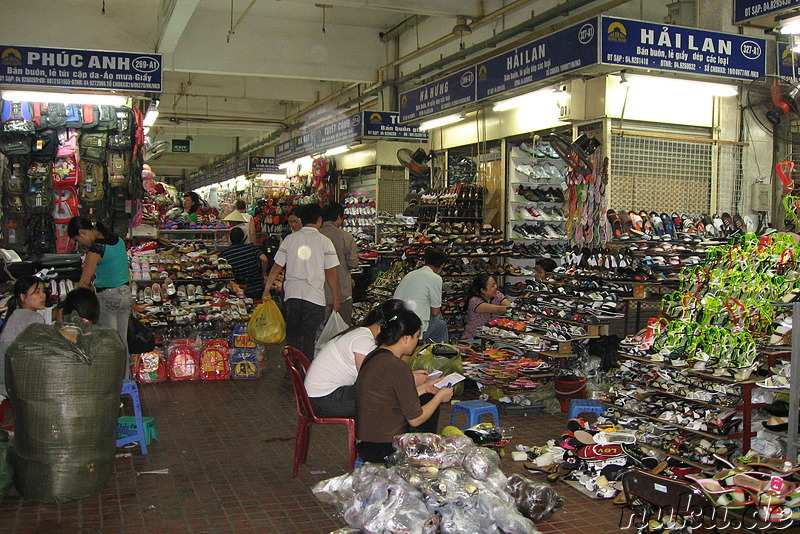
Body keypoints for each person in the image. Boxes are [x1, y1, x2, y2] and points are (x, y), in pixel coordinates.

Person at [354, 309, 453, 464]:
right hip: (386, 447)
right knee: (431, 403)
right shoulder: (397, 366)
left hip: (367, 441)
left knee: (427, 395)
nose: (417, 341)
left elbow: (391, 395)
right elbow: (416, 419)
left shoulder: (375, 355)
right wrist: (440, 397)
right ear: (406, 338)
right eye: (416, 336)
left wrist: (425, 387)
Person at [305, 299, 408, 418]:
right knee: (388, 402)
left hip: (320, 395)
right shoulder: (364, 341)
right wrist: (407, 381)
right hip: (323, 400)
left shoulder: (361, 332)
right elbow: (370, 381)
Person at [263, 203, 340, 359]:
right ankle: (307, 371)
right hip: (314, 297)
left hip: (292, 296)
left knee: (293, 336)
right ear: (319, 220)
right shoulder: (325, 242)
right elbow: (331, 273)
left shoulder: (290, 240)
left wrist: (267, 288)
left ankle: (292, 370)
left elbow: (276, 266)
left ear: (301, 219)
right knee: (309, 337)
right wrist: (336, 299)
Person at [67, 217, 131, 370]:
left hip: (108, 297)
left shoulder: (96, 249)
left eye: (78, 239)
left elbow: (84, 282)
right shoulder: (117, 240)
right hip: (126, 294)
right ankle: (125, 378)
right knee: (122, 341)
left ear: (82, 232)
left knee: (109, 342)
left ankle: (112, 380)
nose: (81, 243)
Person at [0, 276, 46, 397]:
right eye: (37, 292)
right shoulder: (33, 318)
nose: (43, 295)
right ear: (23, 297)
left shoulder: (16, 314)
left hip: (5, 383)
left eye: (43, 291)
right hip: (17, 386)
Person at [393, 247, 449, 343]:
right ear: (442, 265)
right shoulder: (435, 278)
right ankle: (443, 354)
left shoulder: (410, 274)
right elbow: (435, 312)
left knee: (440, 323)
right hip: (414, 326)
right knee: (440, 321)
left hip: (397, 321)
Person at [319, 202, 359, 325]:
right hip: (342, 292)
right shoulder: (346, 236)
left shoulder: (316, 236)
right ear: (338, 217)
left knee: (319, 333)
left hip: (319, 292)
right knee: (341, 331)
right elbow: (353, 263)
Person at [221, 227, 268, 299]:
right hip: (256, 286)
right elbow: (264, 259)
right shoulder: (252, 247)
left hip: (239, 288)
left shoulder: (226, 253)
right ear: (243, 238)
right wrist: (262, 273)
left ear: (230, 239)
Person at [461, 274, 510, 340]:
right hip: (473, 338)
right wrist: (513, 308)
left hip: (490, 337)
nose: (496, 287)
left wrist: (514, 306)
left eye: (495, 284)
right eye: (492, 286)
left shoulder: (497, 294)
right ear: (483, 290)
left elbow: (508, 304)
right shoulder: (474, 301)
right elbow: (498, 310)